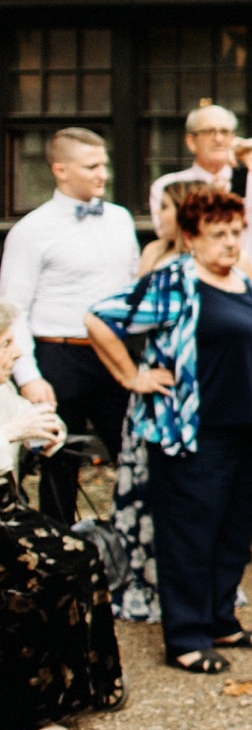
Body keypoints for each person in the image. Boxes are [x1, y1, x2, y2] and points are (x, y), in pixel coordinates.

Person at [85, 190, 252, 675]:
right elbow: (99, 317)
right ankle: (186, 637)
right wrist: (132, 376)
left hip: (251, 427)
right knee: (190, 535)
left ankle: (220, 620)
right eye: (218, 234)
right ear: (191, 237)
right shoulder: (175, 282)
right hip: (195, 433)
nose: (231, 242)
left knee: (233, 532)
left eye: (236, 232)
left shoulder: (241, 280)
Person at [0, 300, 125, 730]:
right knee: (36, 578)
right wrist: (11, 432)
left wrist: (46, 437)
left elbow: (25, 431)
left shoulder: (5, 391)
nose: (15, 353)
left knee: (82, 555)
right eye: (7, 343)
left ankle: (81, 681)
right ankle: (24, 716)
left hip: (8, 508)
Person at [0, 127, 140, 523]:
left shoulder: (120, 219)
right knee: (59, 463)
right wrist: (28, 376)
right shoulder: (32, 229)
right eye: (92, 166)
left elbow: (132, 289)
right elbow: (14, 308)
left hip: (114, 354)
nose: (104, 174)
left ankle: (134, 542)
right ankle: (59, 555)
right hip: (59, 355)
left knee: (133, 452)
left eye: (105, 164)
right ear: (60, 170)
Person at [149, 104, 252, 278]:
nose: (219, 139)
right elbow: (165, 232)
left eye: (225, 132)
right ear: (191, 141)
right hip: (191, 284)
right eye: (209, 131)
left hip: (247, 286)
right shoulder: (172, 186)